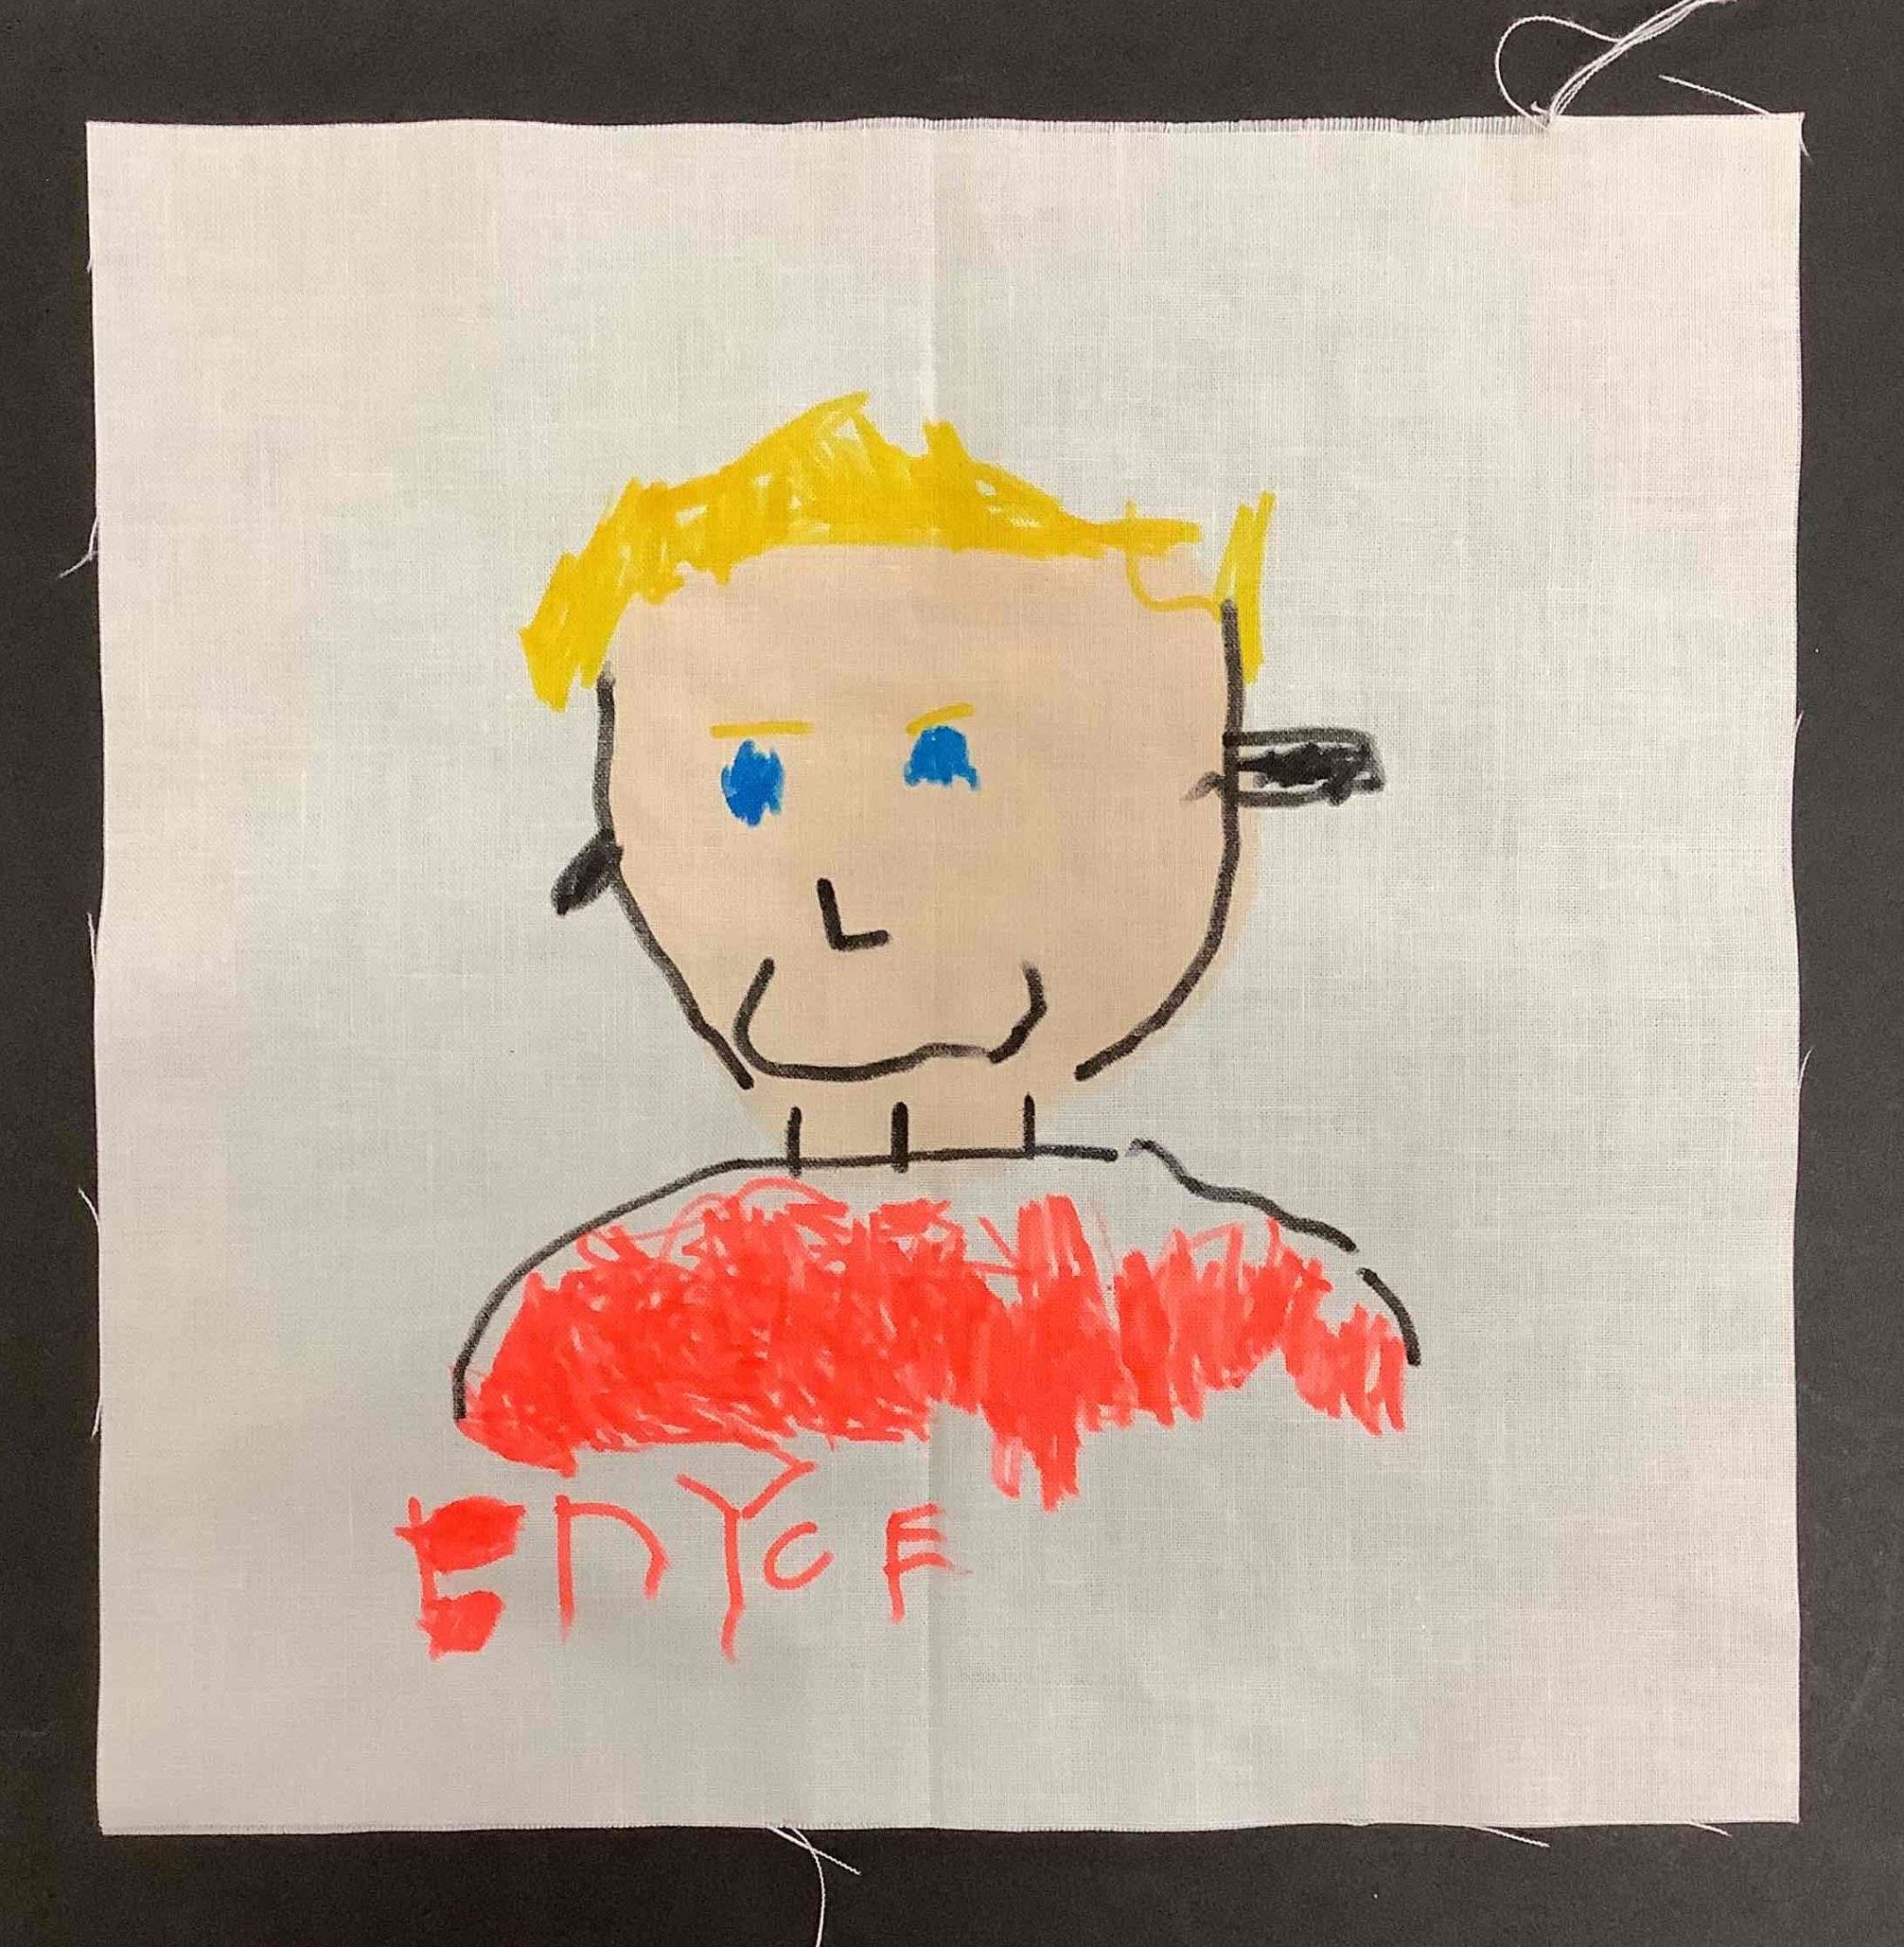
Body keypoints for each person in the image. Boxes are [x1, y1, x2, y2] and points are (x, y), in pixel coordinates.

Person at [455, 395, 1415, 1510]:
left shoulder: (1262, 1315)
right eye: (749, 783)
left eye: (947, 766)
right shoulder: (581, 1335)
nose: (847, 893)